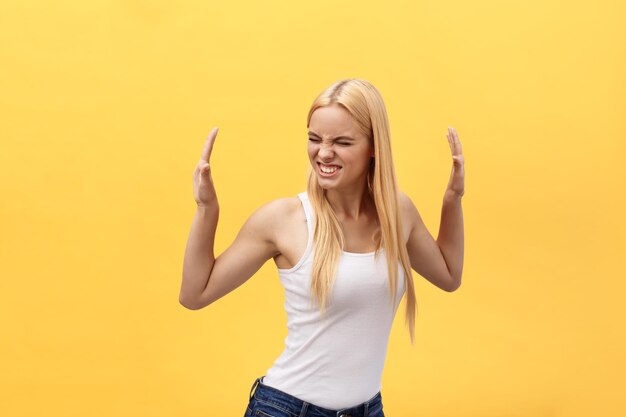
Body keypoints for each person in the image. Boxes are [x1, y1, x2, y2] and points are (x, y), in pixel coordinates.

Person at [179, 78, 465, 417]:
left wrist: (453, 199)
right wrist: (206, 210)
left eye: (342, 142)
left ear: (374, 146)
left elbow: (448, 275)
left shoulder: (397, 214)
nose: (324, 152)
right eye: (314, 139)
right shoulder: (284, 219)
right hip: (285, 409)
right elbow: (195, 294)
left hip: (368, 410)